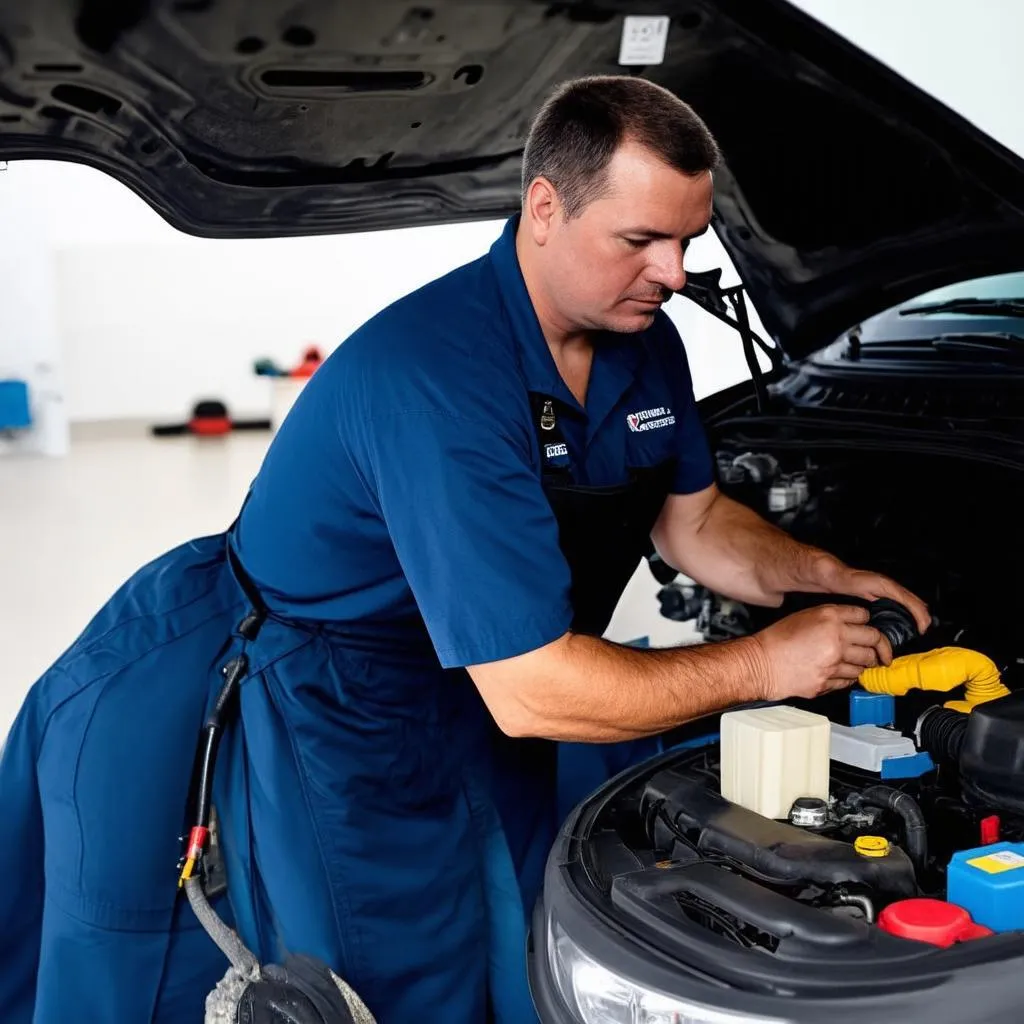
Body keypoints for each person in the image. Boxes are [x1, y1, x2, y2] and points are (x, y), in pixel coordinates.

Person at [0, 75, 930, 1024]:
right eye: (640, 240)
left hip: (490, 681)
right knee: (399, 974)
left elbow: (692, 522)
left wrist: (822, 574)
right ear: (544, 209)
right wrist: (767, 660)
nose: (674, 271)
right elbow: (533, 691)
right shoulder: (440, 376)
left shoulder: (644, 339)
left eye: (687, 241)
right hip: (343, 706)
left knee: (522, 933)